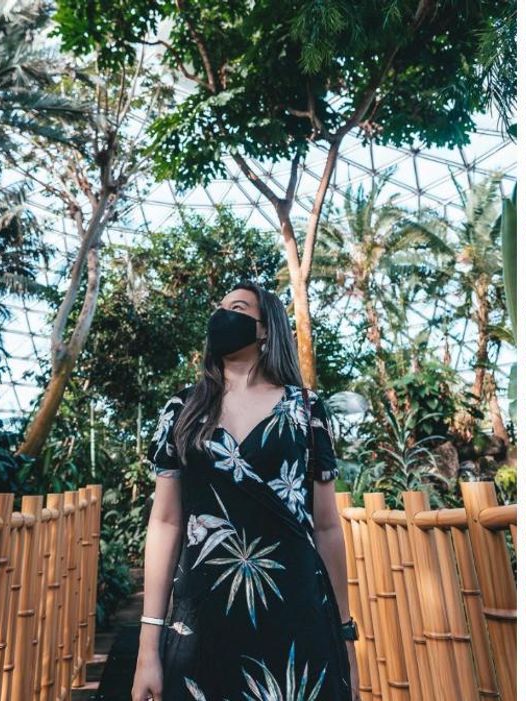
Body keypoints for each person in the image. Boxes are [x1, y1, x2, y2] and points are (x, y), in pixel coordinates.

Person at [132, 281, 359, 701]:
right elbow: (165, 522)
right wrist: (149, 646)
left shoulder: (306, 409)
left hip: (297, 620)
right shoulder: (182, 410)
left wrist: (345, 635)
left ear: (265, 328)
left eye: (236, 308)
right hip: (202, 624)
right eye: (219, 308)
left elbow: (327, 528)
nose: (222, 316)